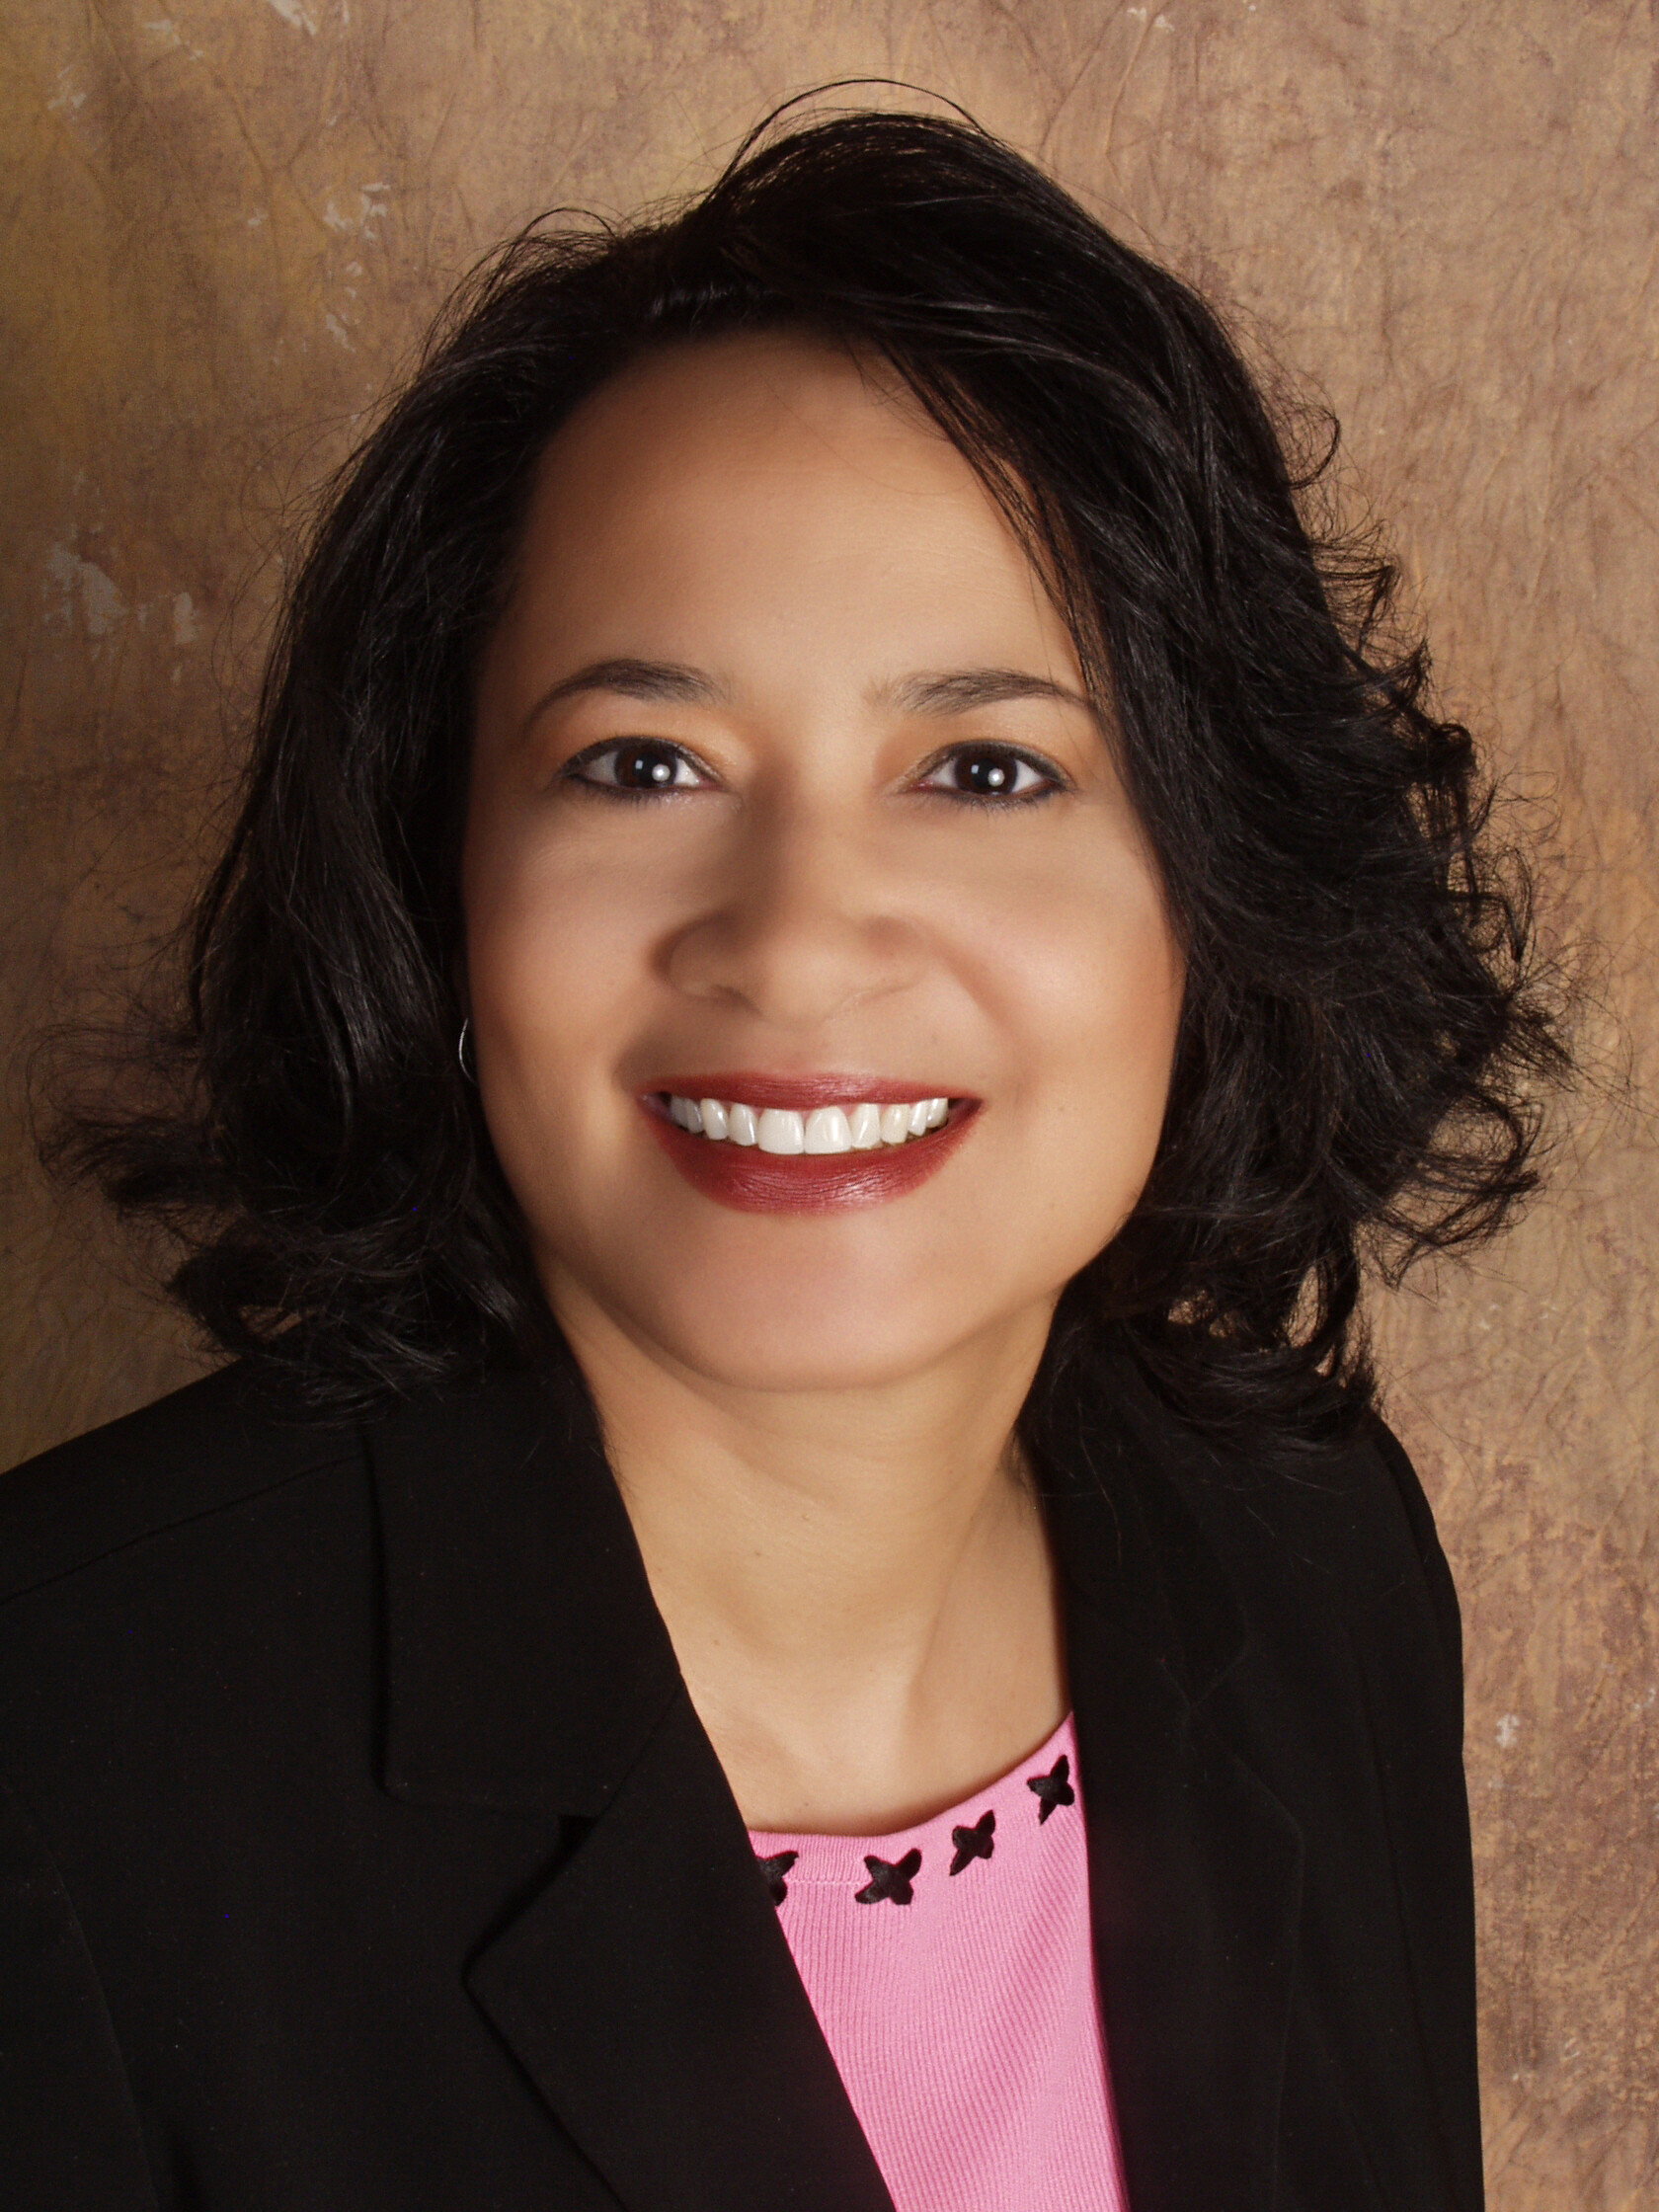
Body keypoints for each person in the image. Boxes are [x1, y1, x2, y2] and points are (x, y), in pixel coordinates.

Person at [1, 105, 1564, 2211]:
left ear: (1220, 890)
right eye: (642, 760)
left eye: (985, 768)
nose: (800, 937)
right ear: (439, 877)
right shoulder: (58, 1754)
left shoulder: (1317, 1562)